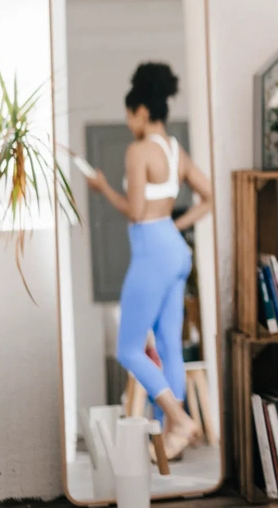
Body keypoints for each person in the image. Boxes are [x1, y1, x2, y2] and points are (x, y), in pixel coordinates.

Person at [86, 62, 213, 460]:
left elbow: (137, 212)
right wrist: (176, 224)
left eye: (128, 116)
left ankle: (178, 420)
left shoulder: (139, 150)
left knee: (129, 349)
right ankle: (173, 437)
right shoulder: (177, 151)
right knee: (170, 346)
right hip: (175, 250)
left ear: (141, 111)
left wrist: (104, 188)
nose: (128, 124)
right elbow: (209, 196)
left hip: (152, 251)